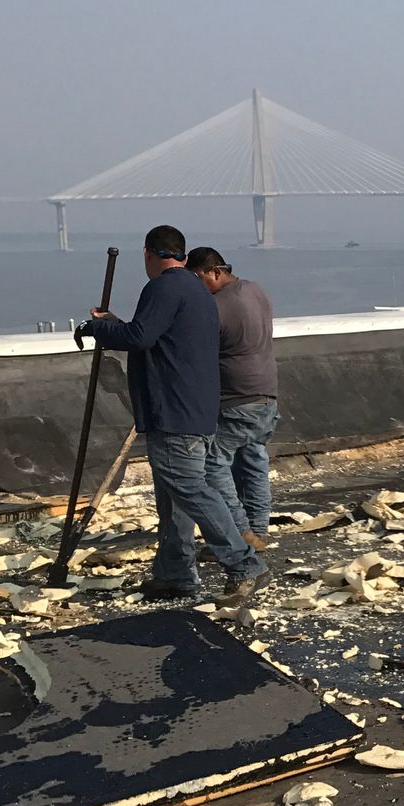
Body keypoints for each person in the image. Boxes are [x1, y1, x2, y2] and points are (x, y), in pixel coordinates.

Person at [79, 225, 268, 603]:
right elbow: (155, 335)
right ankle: (175, 572)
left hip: (173, 410)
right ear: (180, 254)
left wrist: (95, 328)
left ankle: (244, 565)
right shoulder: (196, 289)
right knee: (173, 496)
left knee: (190, 489)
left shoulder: (162, 287)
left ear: (148, 254)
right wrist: (117, 326)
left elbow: (140, 339)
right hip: (196, 407)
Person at [186, 247, 278, 546]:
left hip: (236, 398)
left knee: (213, 463)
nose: (197, 287)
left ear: (215, 272)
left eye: (198, 278)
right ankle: (259, 532)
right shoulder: (254, 289)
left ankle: (239, 533)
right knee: (254, 461)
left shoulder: (217, 305)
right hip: (266, 392)